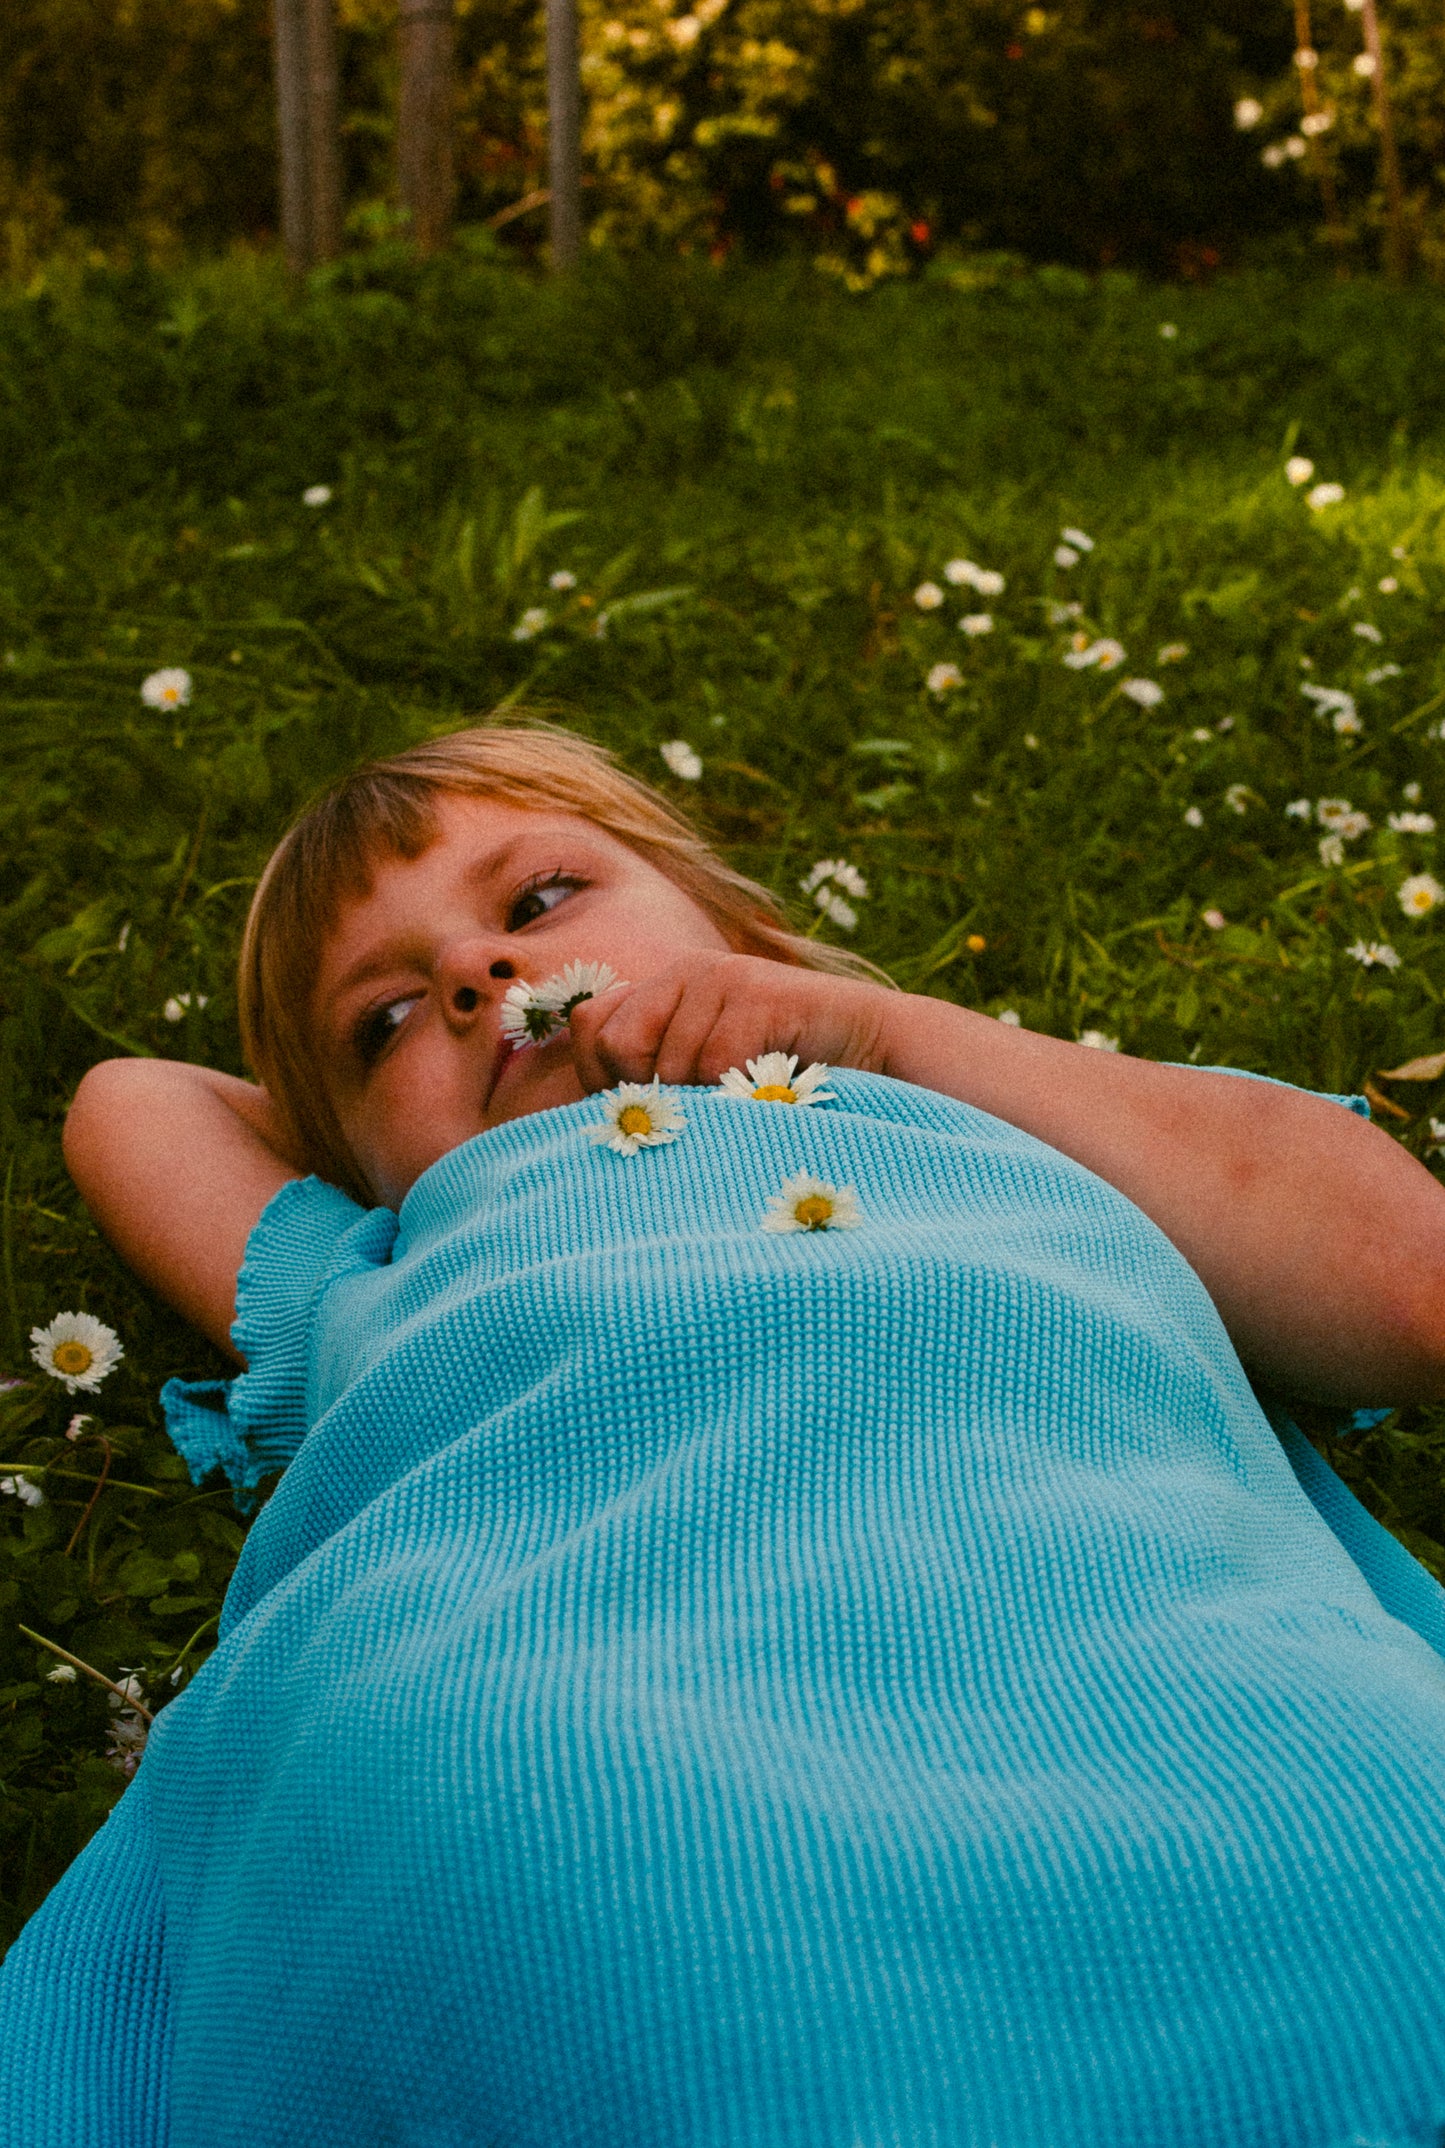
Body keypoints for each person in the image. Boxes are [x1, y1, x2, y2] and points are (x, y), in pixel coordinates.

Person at [5, 717, 1445, 2148]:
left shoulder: (971, 1109)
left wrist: (864, 1027)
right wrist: (407, 1147)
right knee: (522, 1852)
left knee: (1363, 1855)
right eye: (380, 1024)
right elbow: (137, 1101)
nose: (477, 976)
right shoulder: (385, 1267)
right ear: (346, 1169)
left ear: (746, 931)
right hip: (532, 1711)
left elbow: (1406, 1285)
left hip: (1139, 1620)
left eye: (541, 904)